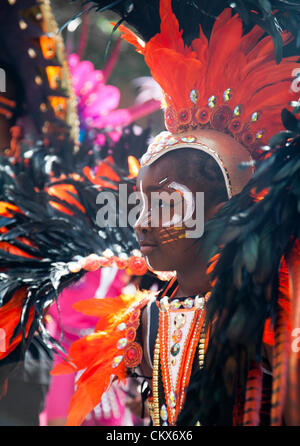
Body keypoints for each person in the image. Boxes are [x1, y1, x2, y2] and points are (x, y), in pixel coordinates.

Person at [50, 0, 300, 426]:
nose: (142, 221)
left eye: (166, 204)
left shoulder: (275, 317)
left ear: (226, 212)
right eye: (143, 202)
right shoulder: (140, 322)